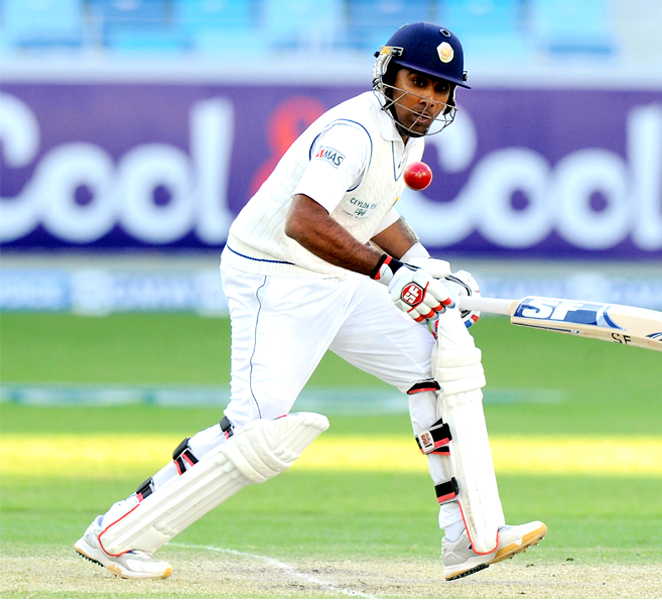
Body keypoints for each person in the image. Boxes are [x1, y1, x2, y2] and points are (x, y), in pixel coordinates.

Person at [74, 22, 546, 582]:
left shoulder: (404, 135)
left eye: (443, 89)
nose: (430, 99)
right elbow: (305, 220)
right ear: (388, 74)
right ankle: (115, 535)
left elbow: (374, 212)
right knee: (256, 430)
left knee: (441, 367)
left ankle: (470, 537)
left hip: (336, 277)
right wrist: (390, 275)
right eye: (419, 82)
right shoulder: (353, 133)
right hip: (276, 276)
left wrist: (424, 267)